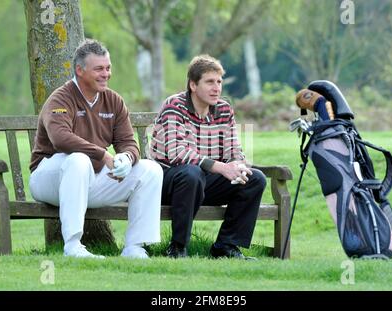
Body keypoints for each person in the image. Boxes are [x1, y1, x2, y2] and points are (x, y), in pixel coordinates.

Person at [29, 39, 162, 259]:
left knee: (150, 169)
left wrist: (127, 158)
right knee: (79, 160)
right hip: (50, 179)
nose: (106, 74)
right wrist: (102, 154)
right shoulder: (61, 98)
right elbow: (61, 139)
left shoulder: (114, 101)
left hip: (91, 179)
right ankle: (72, 246)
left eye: (108, 68)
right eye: (99, 69)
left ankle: (135, 247)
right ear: (79, 70)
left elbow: (128, 141)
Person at [150, 55, 266, 259]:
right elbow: (177, 153)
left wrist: (237, 165)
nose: (216, 88)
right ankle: (178, 247)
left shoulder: (223, 109)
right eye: (210, 82)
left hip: (202, 183)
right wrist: (222, 168)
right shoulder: (174, 106)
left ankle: (226, 246)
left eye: (219, 82)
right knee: (191, 173)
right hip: (168, 182)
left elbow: (233, 149)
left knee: (255, 178)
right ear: (193, 85)